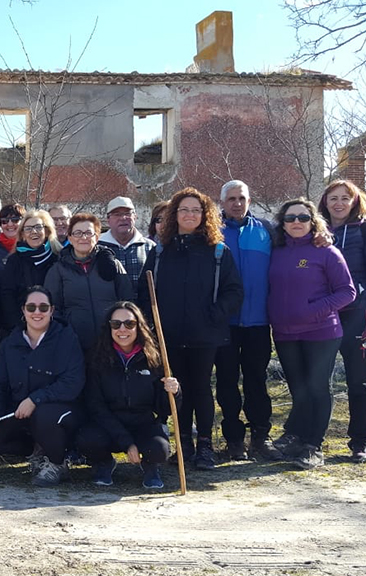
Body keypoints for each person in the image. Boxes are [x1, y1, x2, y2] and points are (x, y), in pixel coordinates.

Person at [138, 188, 243, 471]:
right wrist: (151, 324)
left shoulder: (218, 251)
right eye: (184, 209)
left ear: (205, 215)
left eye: (196, 210)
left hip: (204, 334)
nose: (190, 215)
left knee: (201, 389)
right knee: (177, 390)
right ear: (174, 214)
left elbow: (234, 292)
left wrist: (213, 314)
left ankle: (205, 445)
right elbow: (144, 291)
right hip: (168, 335)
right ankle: (183, 444)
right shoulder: (161, 251)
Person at [268, 199, 355, 469]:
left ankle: (313, 446)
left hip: (321, 331)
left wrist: (314, 310)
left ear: (312, 221)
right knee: (299, 388)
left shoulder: (326, 252)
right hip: (284, 333)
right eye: (291, 217)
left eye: (303, 218)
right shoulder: (275, 250)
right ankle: (296, 436)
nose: (297, 222)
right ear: (282, 223)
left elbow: (347, 291)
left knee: (318, 387)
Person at [0, 286, 85, 487]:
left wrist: (35, 399)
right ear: (23, 310)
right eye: (31, 307)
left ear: (52, 310)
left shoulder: (66, 338)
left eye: (43, 307)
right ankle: (37, 452)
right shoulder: (10, 343)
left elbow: (73, 382)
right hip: (22, 411)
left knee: (43, 416)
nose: (37, 312)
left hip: (62, 410)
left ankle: (57, 463)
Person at [319, 179, 366, 464]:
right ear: (324, 202)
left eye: (344, 198)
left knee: (359, 382)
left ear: (354, 201)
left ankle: (360, 443)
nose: (338, 203)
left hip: (357, 317)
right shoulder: (316, 230)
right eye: (332, 198)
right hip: (323, 316)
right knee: (317, 381)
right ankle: (313, 440)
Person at [74, 301, 181, 489]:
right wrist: (127, 443)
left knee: (159, 450)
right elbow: (95, 406)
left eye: (129, 324)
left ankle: (150, 466)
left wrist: (175, 392)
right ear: (109, 327)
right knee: (86, 439)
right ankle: (104, 462)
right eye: (116, 324)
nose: (122, 329)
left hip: (143, 424)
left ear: (139, 326)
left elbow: (165, 409)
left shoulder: (154, 357)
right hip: (108, 425)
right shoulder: (97, 359)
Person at [214, 180, 281, 461]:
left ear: (249, 201)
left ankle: (260, 438)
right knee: (227, 382)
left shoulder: (266, 231)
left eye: (242, 198)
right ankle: (233, 439)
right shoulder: (213, 233)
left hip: (257, 322)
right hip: (224, 323)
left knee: (257, 381)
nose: (237, 203)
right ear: (222, 203)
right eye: (231, 199)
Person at [44, 213, 134, 358]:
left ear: (97, 237)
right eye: (77, 233)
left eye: (88, 233)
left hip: (112, 342)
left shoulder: (112, 265)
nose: (83, 237)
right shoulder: (59, 269)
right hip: (74, 344)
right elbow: (52, 308)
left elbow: (128, 301)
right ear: (70, 238)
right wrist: (66, 332)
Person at [1, 210, 61, 331]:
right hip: (22, 327)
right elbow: (7, 296)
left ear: (47, 231)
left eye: (38, 227)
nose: (34, 232)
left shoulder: (59, 258)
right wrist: (20, 326)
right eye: (28, 228)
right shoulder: (14, 261)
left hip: (55, 326)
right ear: (22, 234)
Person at [98, 196, 155, 293]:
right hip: (107, 306)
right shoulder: (97, 247)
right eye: (117, 214)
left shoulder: (149, 247)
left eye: (127, 213)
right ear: (108, 220)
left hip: (141, 307)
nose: (123, 218)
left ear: (135, 216)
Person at [0, 203, 25, 273]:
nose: (10, 224)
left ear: (24, 223)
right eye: (5, 221)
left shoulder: (31, 247)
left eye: (15, 220)